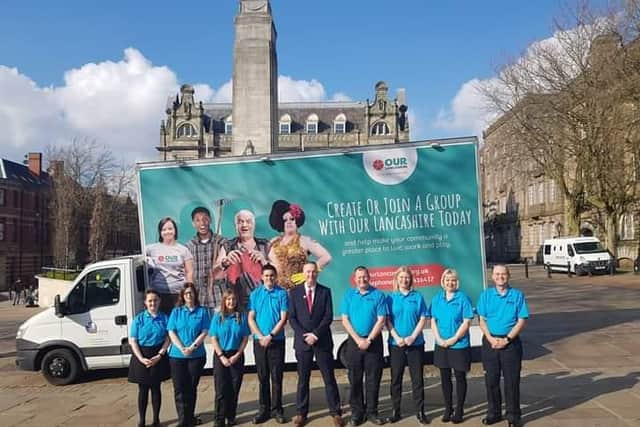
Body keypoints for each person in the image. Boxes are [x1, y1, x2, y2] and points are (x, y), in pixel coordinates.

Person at [288, 262, 344, 427]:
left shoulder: (325, 291)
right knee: (303, 380)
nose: (310, 275)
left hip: (322, 342)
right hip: (302, 342)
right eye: (308, 272)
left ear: (317, 273)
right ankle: (301, 413)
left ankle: (336, 412)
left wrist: (315, 334)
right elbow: (292, 317)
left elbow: (328, 316)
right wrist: (305, 335)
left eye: (313, 272)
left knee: (329, 378)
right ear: (303, 273)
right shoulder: (294, 292)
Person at [477, 265, 529, 427]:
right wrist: (490, 338)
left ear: (509, 276)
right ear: (492, 277)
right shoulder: (485, 295)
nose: (500, 277)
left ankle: (513, 415)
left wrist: (507, 339)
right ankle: (494, 412)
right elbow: (482, 319)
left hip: (511, 344)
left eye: (503, 274)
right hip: (490, 343)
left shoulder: (517, 295)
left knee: (512, 381)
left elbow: (522, 320)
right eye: (497, 274)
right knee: (491, 380)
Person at [341, 266, 387, 426]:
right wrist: (358, 339)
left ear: (369, 277)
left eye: (364, 276)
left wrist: (368, 340)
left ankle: (372, 412)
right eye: (359, 277)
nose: (362, 279)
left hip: (373, 343)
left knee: (373, 379)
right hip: (354, 343)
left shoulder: (378, 295)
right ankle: (357, 413)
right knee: (355, 379)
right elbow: (345, 319)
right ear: (355, 279)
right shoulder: (348, 295)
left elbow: (381, 320)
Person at [385, 267, 429, 424]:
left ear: (411, 280)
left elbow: (423, 318)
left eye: (407, 277)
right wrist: (397, 337)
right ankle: (396, 411)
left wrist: (412, 337)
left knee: (417, 380)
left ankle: (420, 411)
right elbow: (387, 320)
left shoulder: (417, 297)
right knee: (396, 379)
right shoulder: (390, 298)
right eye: (401, 277)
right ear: (397, 279)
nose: (404, 280)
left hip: (415, 344)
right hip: (396, 344)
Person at [431, 269, 474, 424]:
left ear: (457, 282)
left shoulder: (463, 298)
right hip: (441, 344)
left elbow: (467, 321)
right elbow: (433, 321)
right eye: (447, 280)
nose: (450, 283)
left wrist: (454, 339)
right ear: (443, 282)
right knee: (444, 378)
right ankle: (448, 408)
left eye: (453, 280)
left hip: (459, 345)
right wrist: (439, 339)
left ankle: (460, 410)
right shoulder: (437, 298)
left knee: (460, 377)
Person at [248, 264, 289, 424]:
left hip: (276, 341)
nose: (269, 278)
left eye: (272, 275)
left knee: (277, 377)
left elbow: (283, 317)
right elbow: (251, 317)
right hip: (259, 342)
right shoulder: (255, 294)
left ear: (275, 276)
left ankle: (277, 410)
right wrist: (260, 336)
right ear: (261, 277)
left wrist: (270, 335)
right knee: (262, 377)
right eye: (266, 276)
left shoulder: (282, 293)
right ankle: (263, 410)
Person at [167, 283, 211, 427]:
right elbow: (171, 332)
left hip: (196, 356)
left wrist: (192, 347)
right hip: (177, 357)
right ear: (182, 296)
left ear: (195, 295)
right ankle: (183, 420)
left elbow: (204, 332)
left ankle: (190, 417)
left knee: (191, 388)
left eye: (191, 293)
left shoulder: (202, 312)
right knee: (179, 389)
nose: (189, 296)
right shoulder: (176, 311)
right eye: (186, 293)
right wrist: (182, 348)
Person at [128, 289, 171, 427]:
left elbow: (168, 338)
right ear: (145, 302)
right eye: (150, 301)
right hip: (141, 354)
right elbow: (133, 340)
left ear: (159, 301)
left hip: (158, 354)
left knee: (156, 388)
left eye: (155, 300)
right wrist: (141, 358)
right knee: (143, 389)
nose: (153, 303)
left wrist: (160, 354)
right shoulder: (138, 319)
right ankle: (142, 420)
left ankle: (156, 420)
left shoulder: (165, 318)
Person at [267, 200, 332, 289]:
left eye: (292, 219)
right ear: (281, 223)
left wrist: (308, 273)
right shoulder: (273, 241)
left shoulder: (305, 241)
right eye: (285, 220)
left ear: (297, 220)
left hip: (298, 291)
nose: (289, 222)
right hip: (276, 291)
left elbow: (326, 257)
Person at [210, 290, 251, 427]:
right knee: (221, 390)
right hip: (220, 355)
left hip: (236, 355)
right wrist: (221, 356)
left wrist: (237, 355)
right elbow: (213, 338)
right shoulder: (218, 317)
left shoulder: (241, 317)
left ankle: (231, 416)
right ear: (224, 301)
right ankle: (219, 418)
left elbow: (245, 338)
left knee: (234, 388)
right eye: (228, 299)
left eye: (233, 299)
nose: (231, 302)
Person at [217, 210, 269, 310]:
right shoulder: (228, 246)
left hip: (262, 304)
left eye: (248, 222)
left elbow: (279, 273)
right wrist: (225, 262)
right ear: (235, 226)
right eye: (240, 222)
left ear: (253, 225)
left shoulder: (265, 245)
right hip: (235, 304)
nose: (244, 225)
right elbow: (215, 275)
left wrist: (264, 261)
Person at [146, 217, 194, 314]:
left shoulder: (183, 250)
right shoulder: (151, 249)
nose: (167, 232)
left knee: (178, 324)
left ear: (175, 231)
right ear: (160, 232)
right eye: (164, 229)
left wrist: (190, 291)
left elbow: (189, 272)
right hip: (158, 295)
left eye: (170, 229)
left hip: (179, 294)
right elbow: (139, 258)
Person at [185, 206, 225, 315]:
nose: (202, 223)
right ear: (193, 223)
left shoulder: (221, 241)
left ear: (210, 220)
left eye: (205, 219)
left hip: (219, 296)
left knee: (219, 329)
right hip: (199, 298)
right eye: (197, 220)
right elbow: (187, 273)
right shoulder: (189, 246)